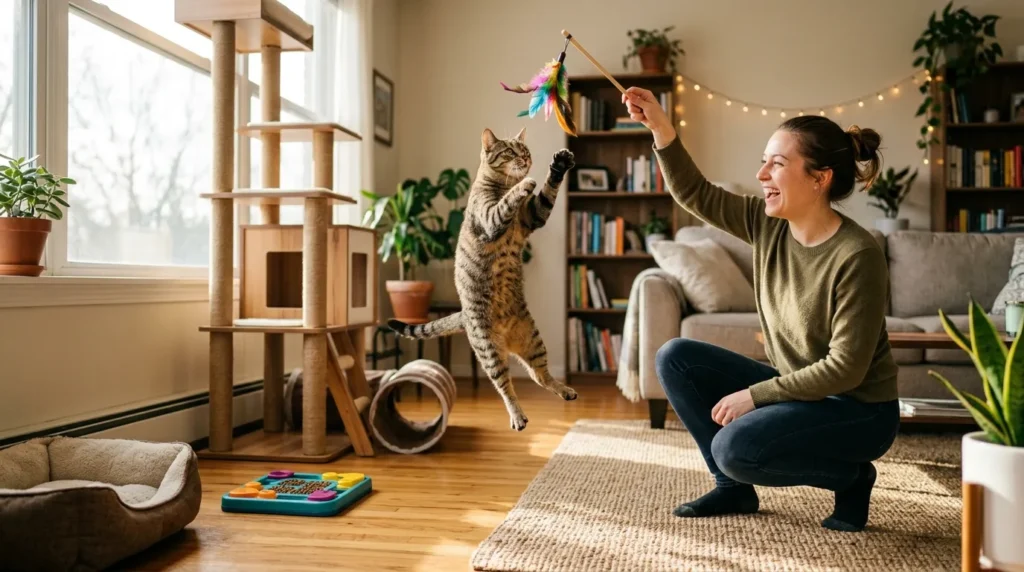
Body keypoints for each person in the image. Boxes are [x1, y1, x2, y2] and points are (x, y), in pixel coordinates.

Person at [622, 86, 900, 533]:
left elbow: (846, 370)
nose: (761, 173)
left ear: (819, 178)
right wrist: (660, 127)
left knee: (734, 449)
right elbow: (695, 193)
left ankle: (851, 477)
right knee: (674, 356)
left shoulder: (856, 254)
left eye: (777, 164)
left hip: (858, 411)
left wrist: (754, 396)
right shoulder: (766, 224)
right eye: (764, 160)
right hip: (800, 392)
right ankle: (732, 489)